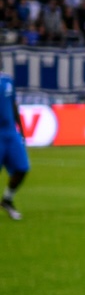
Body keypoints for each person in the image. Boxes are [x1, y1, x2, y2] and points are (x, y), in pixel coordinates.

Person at [0, 71, 27, 221]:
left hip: (10, 133)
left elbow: (13, 105)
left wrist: (21, 129)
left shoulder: (7, 80)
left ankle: (7, 200)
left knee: (22, 168)